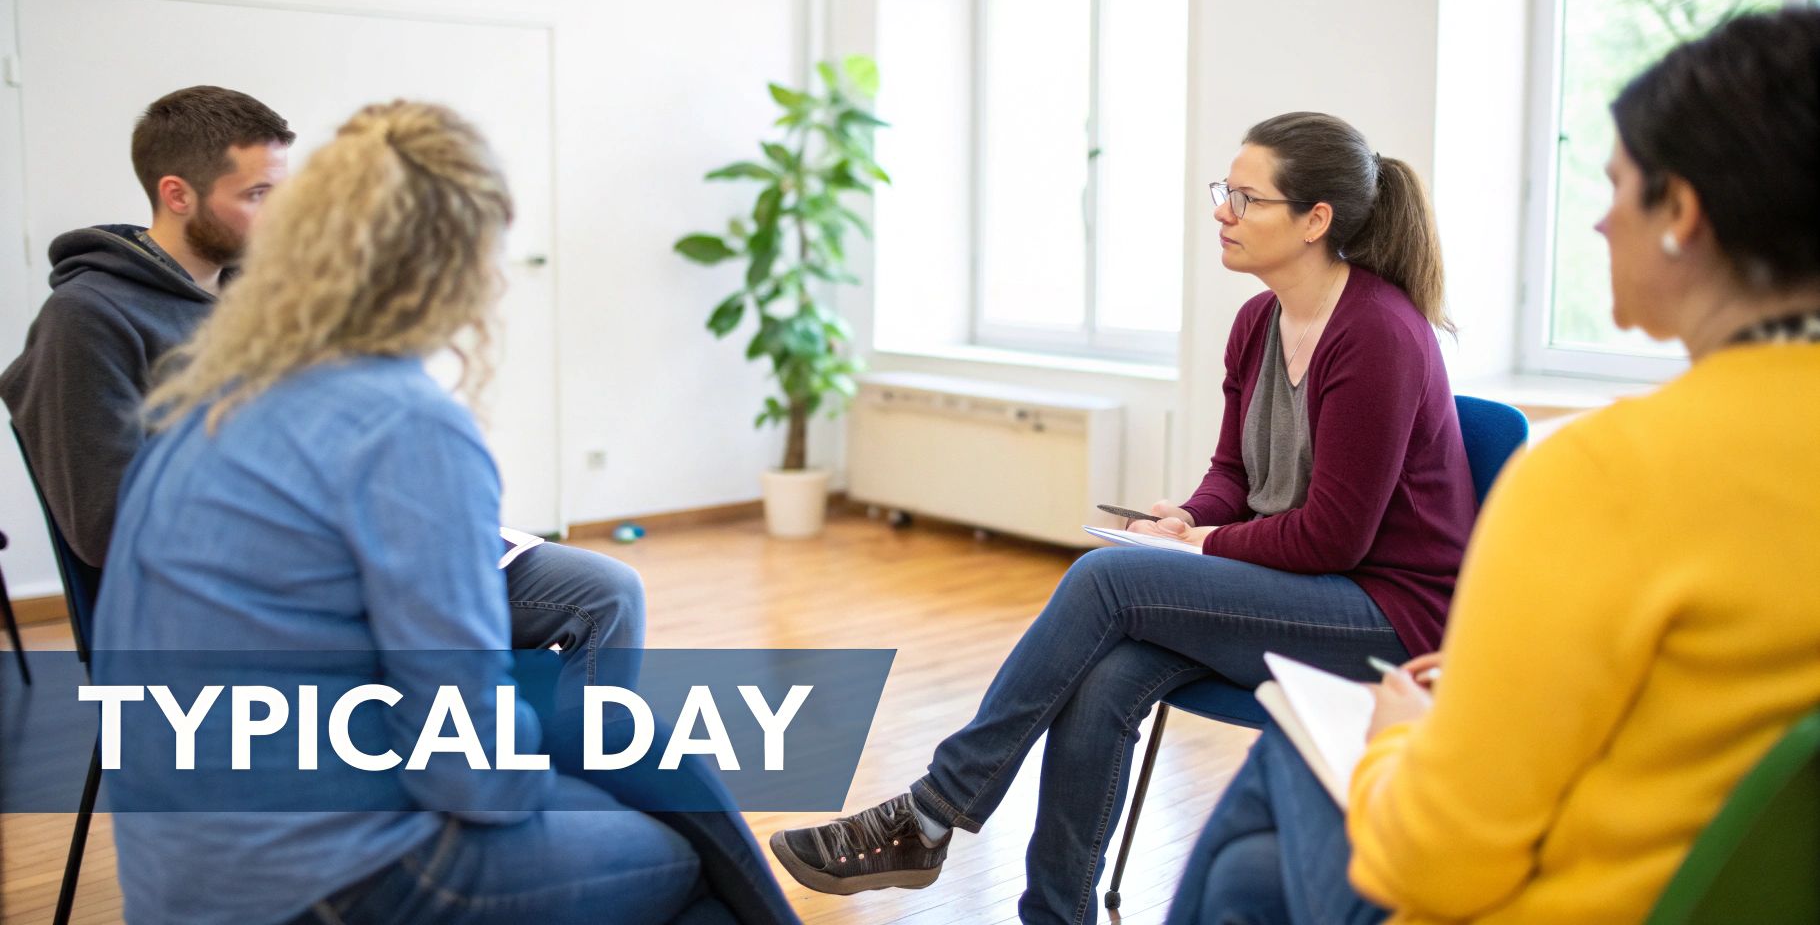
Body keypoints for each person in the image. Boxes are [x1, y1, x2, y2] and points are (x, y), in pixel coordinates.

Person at [1167, 7, 1820, 925]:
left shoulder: (1602, 477)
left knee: (1294, 743)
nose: (1596, 224)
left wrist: (1394, 742)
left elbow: (1433, 862)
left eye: (1616, 187)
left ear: (1682, 214)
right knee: (1248, 879)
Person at [91, 100, 794, 925]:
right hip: (315, 884)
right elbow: (469, 765)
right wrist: (546, 773)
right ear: (454, 265)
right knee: (678, 862)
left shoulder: (217, 396)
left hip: (179, 871)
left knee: (631, 740)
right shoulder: (405, 421)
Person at [771, 112, 1477, 924]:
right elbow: (1235, 477)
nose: (1222, 212)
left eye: (1247, 199)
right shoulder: (1258, 323)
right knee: (1107, 675)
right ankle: (1053, 915)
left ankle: (932, 811)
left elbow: (1334, 536)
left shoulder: (1380, 333)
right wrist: (1189, 517)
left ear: (1317, 220)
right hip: (1293, 591)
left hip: (1385, 619)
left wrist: (1203, 546)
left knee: (1107, 581)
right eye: (1225, 193)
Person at [0, 85, 640, 693]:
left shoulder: (265, 294)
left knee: (606, 591)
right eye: (256, 194)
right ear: (177, 194)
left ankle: (564, 773)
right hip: (236, 591)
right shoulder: (87, 319)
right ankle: (495, 785)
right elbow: (109, 526)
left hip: (353, 544)